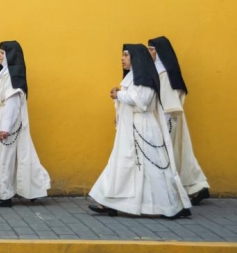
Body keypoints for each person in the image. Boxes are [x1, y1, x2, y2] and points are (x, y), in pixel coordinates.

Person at [88, 44, 191, 219]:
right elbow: (131, 98)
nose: (122, 59)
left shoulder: (144, 77)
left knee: (152, 168)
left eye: (126, 55)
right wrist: (119, 100)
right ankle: (108, 202)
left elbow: (142, 102)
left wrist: (119, 95)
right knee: (120, 164)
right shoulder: (132, 77)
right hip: (129, 127)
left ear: (136, 58)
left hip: (142, 128)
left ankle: (171, 206)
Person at [0, 41, 49, 207]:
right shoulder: (5, 75)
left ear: (10, 56)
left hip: (7, 122)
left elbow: (12, 104)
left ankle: (4, 196)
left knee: (3, 159)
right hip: (2, 119)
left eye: (2, 53)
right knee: (14, 156)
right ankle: (32, 189)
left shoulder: (12, 78)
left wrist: (5, 128)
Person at [148, 36, 210, 205]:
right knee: (182, 153)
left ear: (160, 53)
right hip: (171, 119)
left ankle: (177, 190)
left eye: (152, 50)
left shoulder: (165, 74)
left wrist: (161, 126)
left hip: (168, 120)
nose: (149, 53)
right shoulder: (161, 71)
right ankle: (197, 187)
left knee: (172, 154)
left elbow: (168, 102)